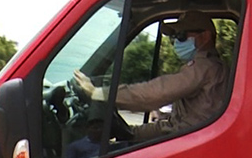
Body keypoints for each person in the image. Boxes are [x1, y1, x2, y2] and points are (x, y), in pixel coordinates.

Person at [73, 10, 227, 142]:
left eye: (180, 36)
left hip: (193, 151)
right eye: (173, 37)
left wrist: (100, 93)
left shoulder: (205, 68)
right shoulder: (205, 69)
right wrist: (131, 133)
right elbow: (173, 125)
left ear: (205, 36)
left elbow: (157, 92)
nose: (175, 42)